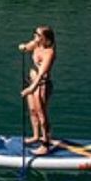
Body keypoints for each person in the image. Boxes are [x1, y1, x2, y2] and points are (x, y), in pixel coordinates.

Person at [18, 26, 56, 155]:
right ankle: (36, 136)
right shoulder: (36, 44)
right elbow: (28, 47)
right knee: (32, 111)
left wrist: (30, 89)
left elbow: (41, 74)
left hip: (41, 85)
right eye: (34, 33)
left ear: (45, 38)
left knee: (41, 114)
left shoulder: (49, 52)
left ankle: (45, 144)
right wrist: (23, 47)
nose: (35, 36)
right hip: (30, 82)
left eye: (38, 35)